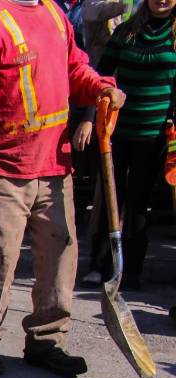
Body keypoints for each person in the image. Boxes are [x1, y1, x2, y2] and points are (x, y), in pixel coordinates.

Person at [0, 0, 124, 377]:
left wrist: (102, 87)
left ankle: (46, 339)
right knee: (0, 258)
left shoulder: (55, 15)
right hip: (2, 166)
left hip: (54, 166)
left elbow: (75, 68)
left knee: (61, 255)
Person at [77, 0, 176, 292]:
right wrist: (86, 119)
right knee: (109, 198)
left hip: (157, 134)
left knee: (139, 202)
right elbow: (101, 77)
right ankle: (99, 264)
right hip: (116, 130)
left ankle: (132, 271)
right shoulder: (126, 32)